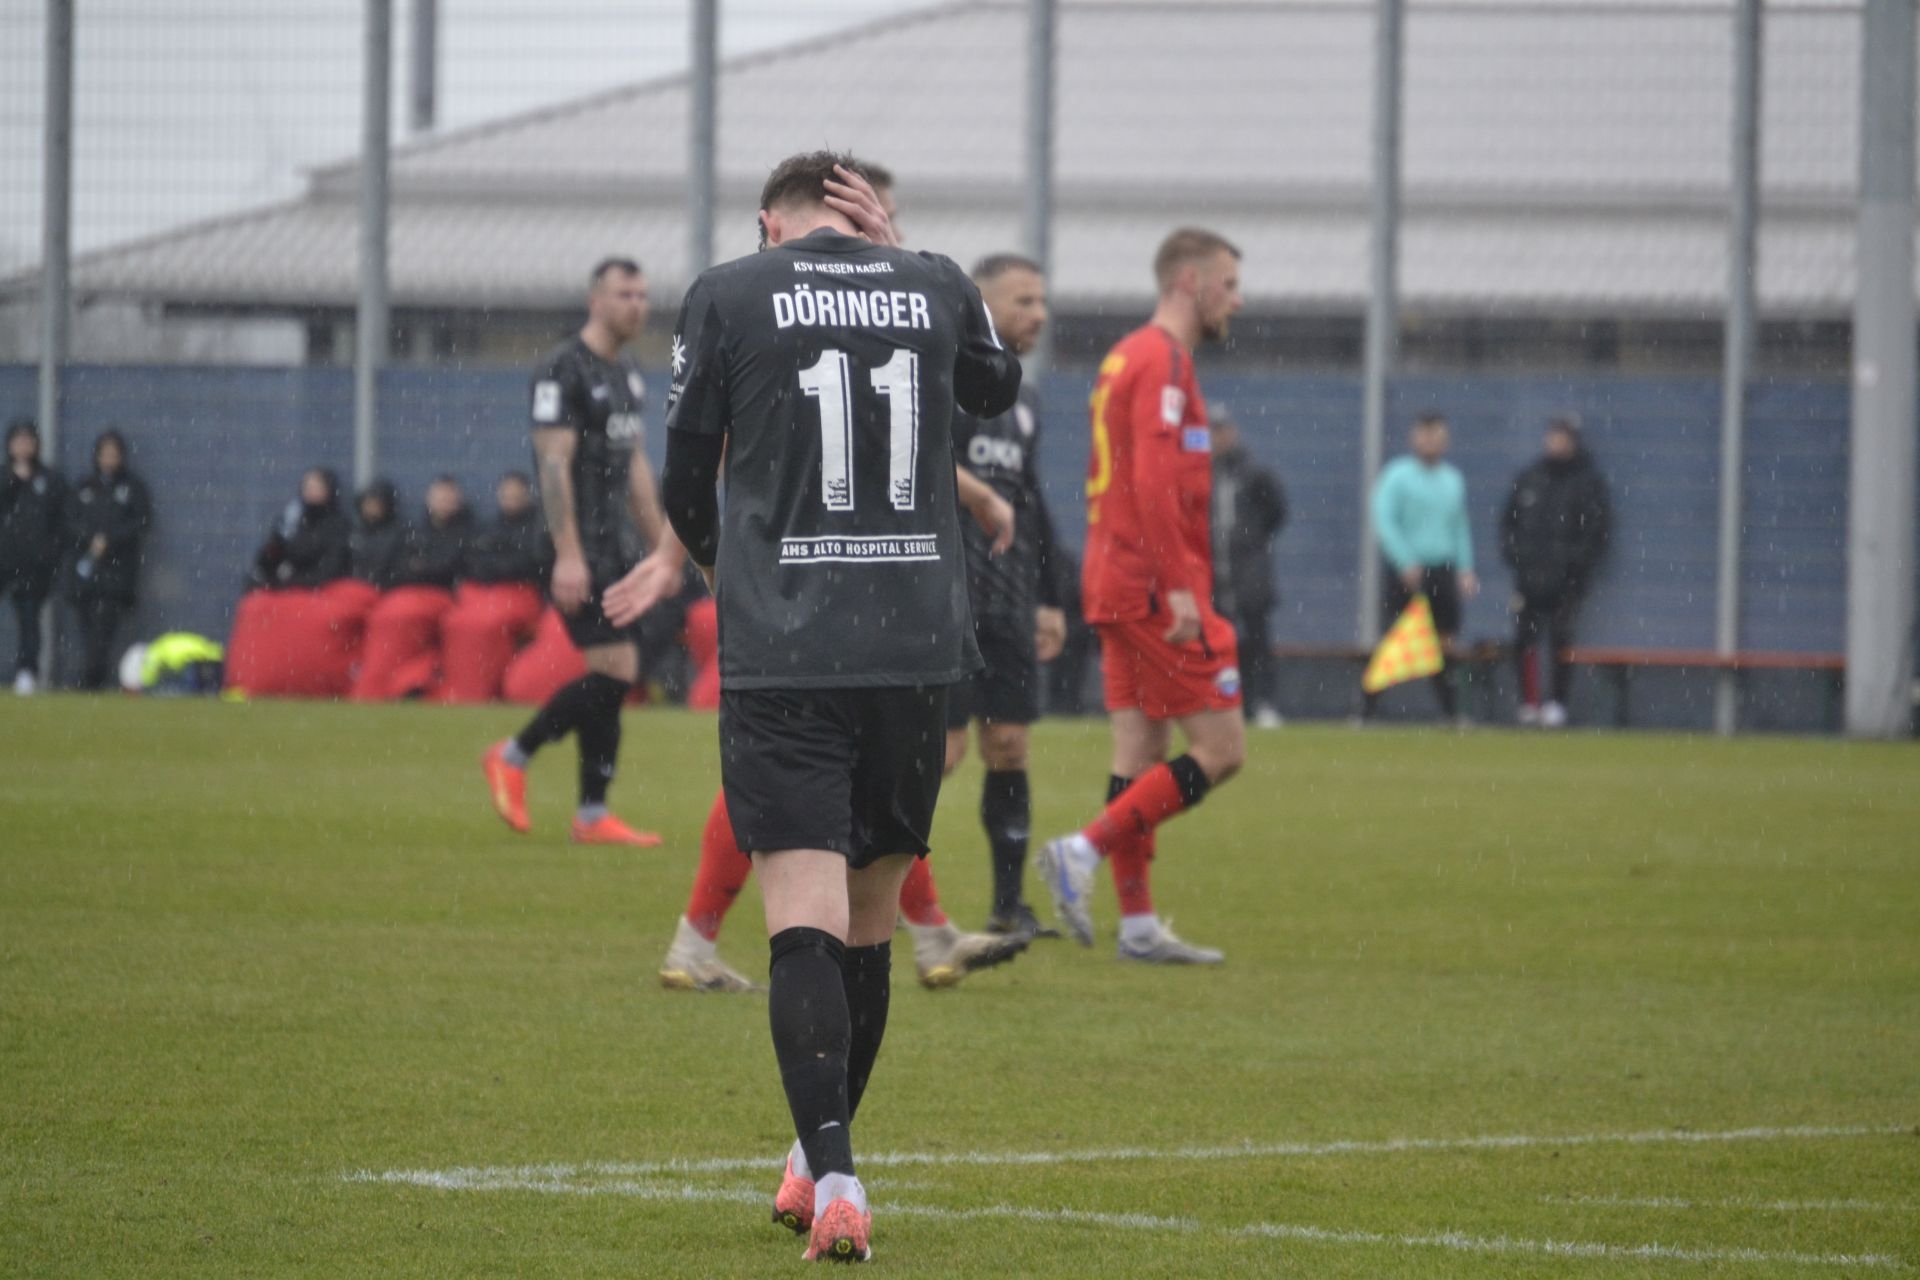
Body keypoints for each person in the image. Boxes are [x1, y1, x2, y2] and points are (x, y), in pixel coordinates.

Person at [654, 150, 1021, 1262]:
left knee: (802, 923)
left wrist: (721, 567)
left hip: (789, 651)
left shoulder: (729, 291)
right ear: (866, 216)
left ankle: (838, 1175)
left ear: (771, 222)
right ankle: (818, 1158)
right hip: (912, 650)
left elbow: (684, 479)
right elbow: (997, 386)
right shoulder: (934, 279)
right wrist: (906, 257)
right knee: (869, 923)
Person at [1035, 228, 1247, 966]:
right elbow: (1154, 483)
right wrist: (1181, 586)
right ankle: (1080, 850)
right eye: (1228, 284)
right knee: (1222, 749)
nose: (1236, 299)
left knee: (1140, 749)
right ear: (1189, 281)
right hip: (1153, 586)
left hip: (1115, 577)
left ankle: (1137, 925)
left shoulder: (1128, 354)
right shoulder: (1161, 360)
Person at [480, 257, 683, 847]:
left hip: (616, 546)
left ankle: (592, 814)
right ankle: (513, 755)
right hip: (574, 545)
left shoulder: (628, 373)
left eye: (642, 295)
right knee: (619, 669)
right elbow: (553, 465)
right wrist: (568, 555)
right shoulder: (561, 368)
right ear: (596, 301)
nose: (637, 306)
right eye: (625, 294)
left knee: (614, 673)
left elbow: (635, 464)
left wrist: (661, 549)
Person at [942, 252, 1069, 940]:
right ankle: (887, 895)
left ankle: (1008, 906)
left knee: (1010, 746)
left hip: (1009, 601)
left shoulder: (1027, 398)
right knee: (942, 753)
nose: (1038, 314)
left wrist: (1048, 596)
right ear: (983, 306)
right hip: (947, 598)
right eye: (1024, 301)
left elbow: (1031, 502)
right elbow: (921, 466)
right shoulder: (946, 380)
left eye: (1042, 301)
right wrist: (978, 499)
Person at [1361, 411, 1479, 723]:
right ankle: (1365, 710)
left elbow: (1459, 526)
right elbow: (1385, 521)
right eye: (1425, 435)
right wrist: (1405, 561)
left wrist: (1465, 567)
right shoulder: (1397, 476)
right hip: (1408, 572)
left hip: (1443, 570)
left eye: (1436, 436)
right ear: (1414, 438)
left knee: (1445, 642)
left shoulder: (1453, 479)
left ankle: (1451, 713)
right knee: (1393, 639)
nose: (1430, 442)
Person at [1501, 414, 1611, 728]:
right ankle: (1528, 703)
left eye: (1563, 437)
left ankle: (1557, 704)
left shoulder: (1586, 482)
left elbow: (1597, 531)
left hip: (1567, 582)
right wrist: (1520, 560)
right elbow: (1508, 525)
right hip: (1528, 579)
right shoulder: (1530, 477)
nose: (1556, 443)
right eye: (1553, 436)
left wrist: (1573, 566)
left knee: (1561, 639)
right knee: (1525, 639)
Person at [1208, 404, 1289, 729]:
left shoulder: (1253, 472)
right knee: (1220, 643)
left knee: (1257, 639)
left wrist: (1250, 541)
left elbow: (1276, 512)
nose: (1216, 438)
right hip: (1215, 572)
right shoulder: (1202, 472)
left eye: (1220, 430)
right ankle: (1227, 701)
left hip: (1249, 572)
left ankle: (1264, 702)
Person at [67, 430, 152, 691]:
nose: (109, 459)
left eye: (114, 454)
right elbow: (69, 521)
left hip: (116, 572)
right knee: (86, 626)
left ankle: (93, 678)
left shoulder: (132, 488)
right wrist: (88, 539)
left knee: (104, 626)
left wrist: (110, 540)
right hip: (86, 570)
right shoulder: (85, 486)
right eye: (105, 454)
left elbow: (141, 522)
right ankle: (91, 676)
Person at [2, 420, 68, 694]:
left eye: (28, 440)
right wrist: (14, 479)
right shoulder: (3, 475)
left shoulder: (50, 479)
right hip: (3, 561)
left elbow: (62, 522)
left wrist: (48, 555)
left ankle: (27, 672)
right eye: (18, 441)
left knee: (29, 620)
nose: (23, 446)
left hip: (33, 566)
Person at [251, 468, 351, 589]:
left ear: (329, 490)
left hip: (317, 590)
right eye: (307, 486)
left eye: (316, 487)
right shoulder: (292, 520)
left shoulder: (337, 525)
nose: (310, 491)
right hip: (289, 588)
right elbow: (267, 561)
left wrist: (294, 581)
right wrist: (275, 544)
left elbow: (330, 568)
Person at [349, 480, 405, 588]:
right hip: (354, 587)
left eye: (376, 504)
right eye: (368, 503)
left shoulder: (399, 534)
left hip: (385, 589)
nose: (371, 508)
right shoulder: (352, 530)